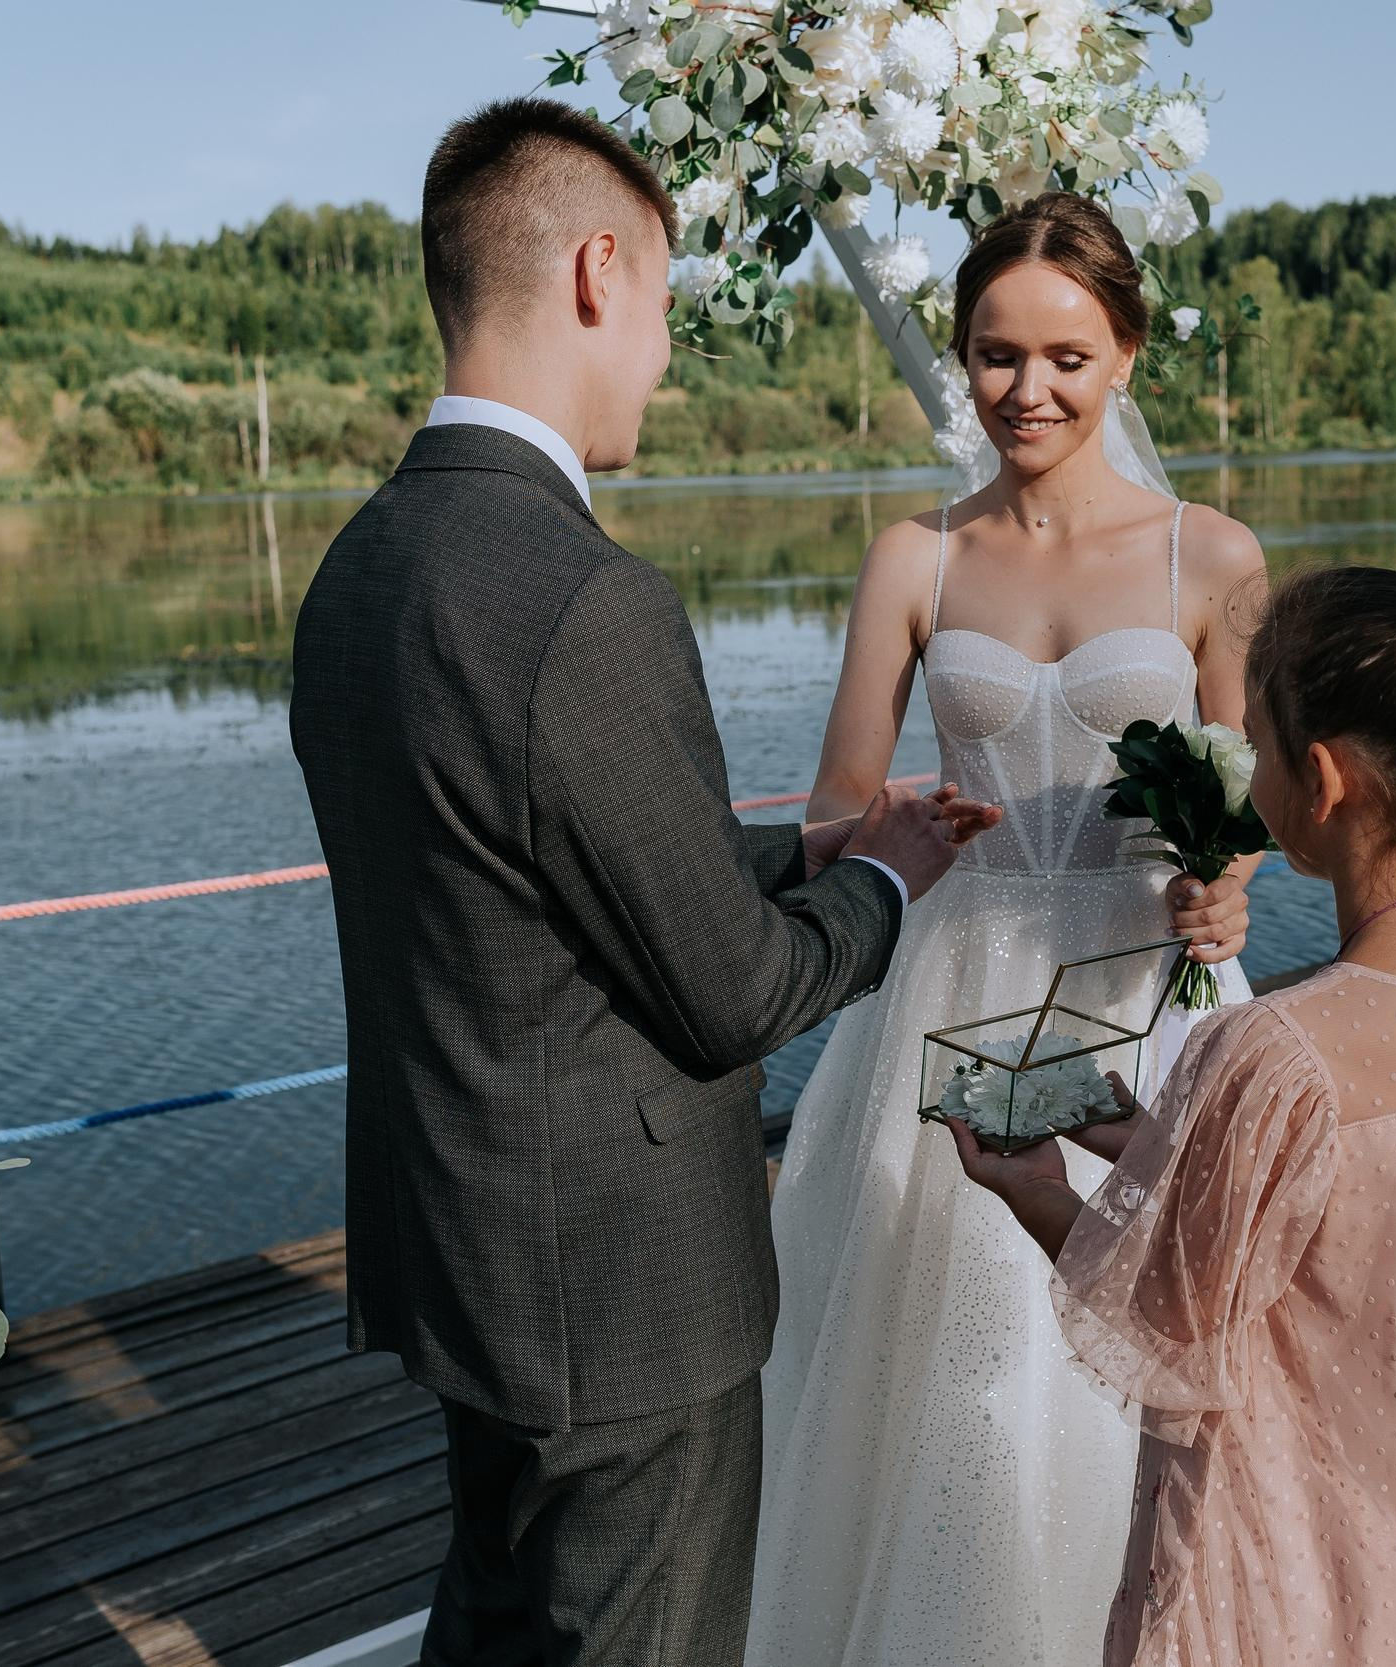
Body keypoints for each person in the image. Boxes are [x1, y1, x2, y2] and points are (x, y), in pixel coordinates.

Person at [288, 98, 998, 1666]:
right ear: (599, 273)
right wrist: (879, 878)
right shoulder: (585, 597)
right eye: (669, 306)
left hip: (460, 1251)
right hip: (618, 1300)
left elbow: (507, 871)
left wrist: (784, 851)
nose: (666, 358)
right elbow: (735, 989)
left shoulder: (359, 569)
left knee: (485, 1627)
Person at [745, 192, 1267, 1665]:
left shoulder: (1212, 558)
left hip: (1144, 991)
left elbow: (1251, 797)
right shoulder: (913, 555)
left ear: (1127, 355)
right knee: (944, 1358)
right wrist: (897, 826)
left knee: (1124, 1350)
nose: (1025, 390)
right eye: (992, 355)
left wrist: (1228, 882)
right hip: (951, 994)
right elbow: (842, 803)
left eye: (1064, 355)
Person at [948, 518, 1396, 1666]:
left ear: (1319, 780)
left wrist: (1030, 1186)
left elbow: (1159, 1331)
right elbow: (1334, 1217)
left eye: (1257, 743)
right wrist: (1154, 1135)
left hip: (1296, 1564)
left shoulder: (1276, 1049)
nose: (1248, 766)